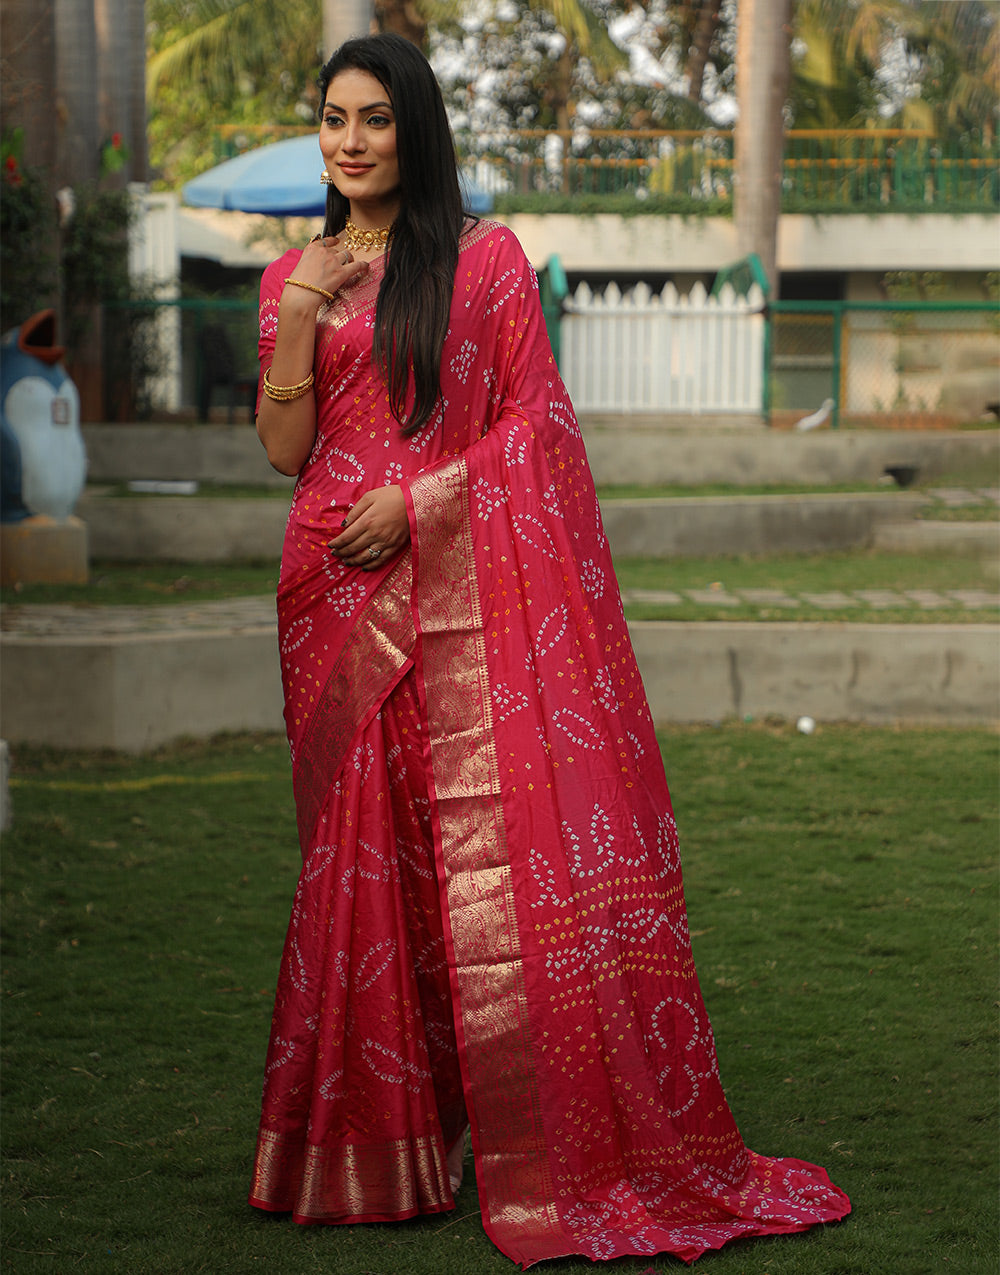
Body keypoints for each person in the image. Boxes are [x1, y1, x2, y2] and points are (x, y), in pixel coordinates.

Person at [249, 32, 850, 1267]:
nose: (348, 141)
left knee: (479, 849)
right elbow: (281, 452)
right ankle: (387, 1140)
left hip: (446, 575)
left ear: (415, 130)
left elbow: (539, 429)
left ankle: (502, 1125)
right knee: (368, 860)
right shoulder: (287, 278)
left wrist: (419, 506)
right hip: (330, 594)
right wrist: (305, 307)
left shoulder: (485, 262)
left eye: (372, 119)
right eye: (331, 119)